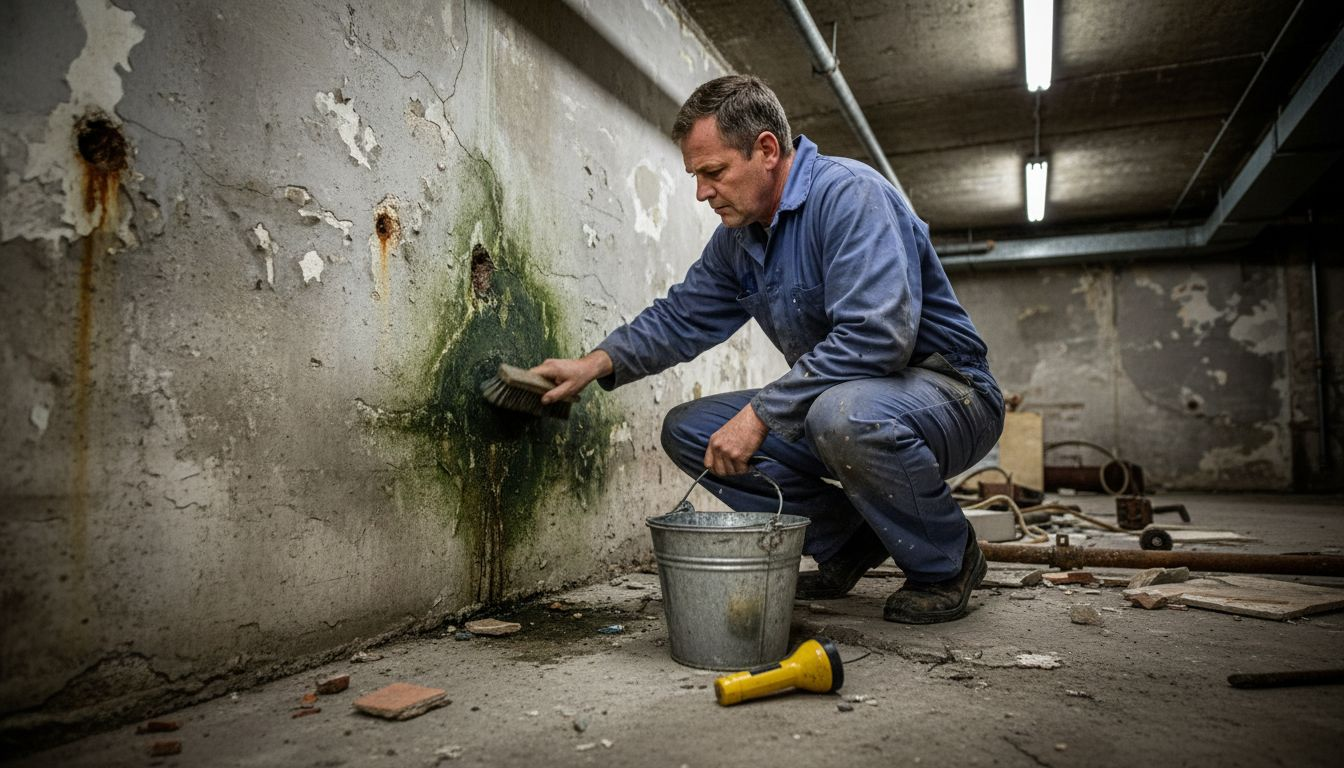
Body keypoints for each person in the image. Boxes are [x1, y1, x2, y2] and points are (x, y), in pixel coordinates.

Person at [533, 75, 1004, 624]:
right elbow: (682, 316)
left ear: (766, 150)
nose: (702, 192)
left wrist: (760, 414)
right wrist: (591, 365)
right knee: (690, 429)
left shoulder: (850, 194)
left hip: (950, 394)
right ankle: (846, 542)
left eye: (713, 173)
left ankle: (948, 560)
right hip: (847, 404)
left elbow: (878, 337)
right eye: (695, 176)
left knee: (840, 414)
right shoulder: (740, 239)